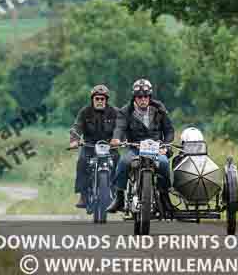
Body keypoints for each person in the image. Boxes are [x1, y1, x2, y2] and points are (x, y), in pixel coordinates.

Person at [108, 78, 174, 214]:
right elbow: (119, 127)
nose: (143, 99)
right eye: (139, 97)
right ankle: (119, 197)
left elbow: (169, 130)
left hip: (156, 148)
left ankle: (164, 197)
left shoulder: (159, 108)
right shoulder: (125, 111)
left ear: (150, 96)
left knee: (164, 164)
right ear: (135, 97)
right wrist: (116, 138)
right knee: (123, 162)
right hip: (135, 148)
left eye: (146, 96)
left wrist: (166, 146)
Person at [69, 84, 119, 208]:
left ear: (106, 100)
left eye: (102, 99)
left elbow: (121, 128)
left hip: (109, 147)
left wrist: (118, 139)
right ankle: (83, 195)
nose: (100, 101)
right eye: (97, 98)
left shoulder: (115, 112)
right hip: (89, 146)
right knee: (81, 162)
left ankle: (118, 194)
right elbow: (77, 126)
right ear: (93, 99)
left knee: (119, 162)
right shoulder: (85, 112)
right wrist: (74, 140)